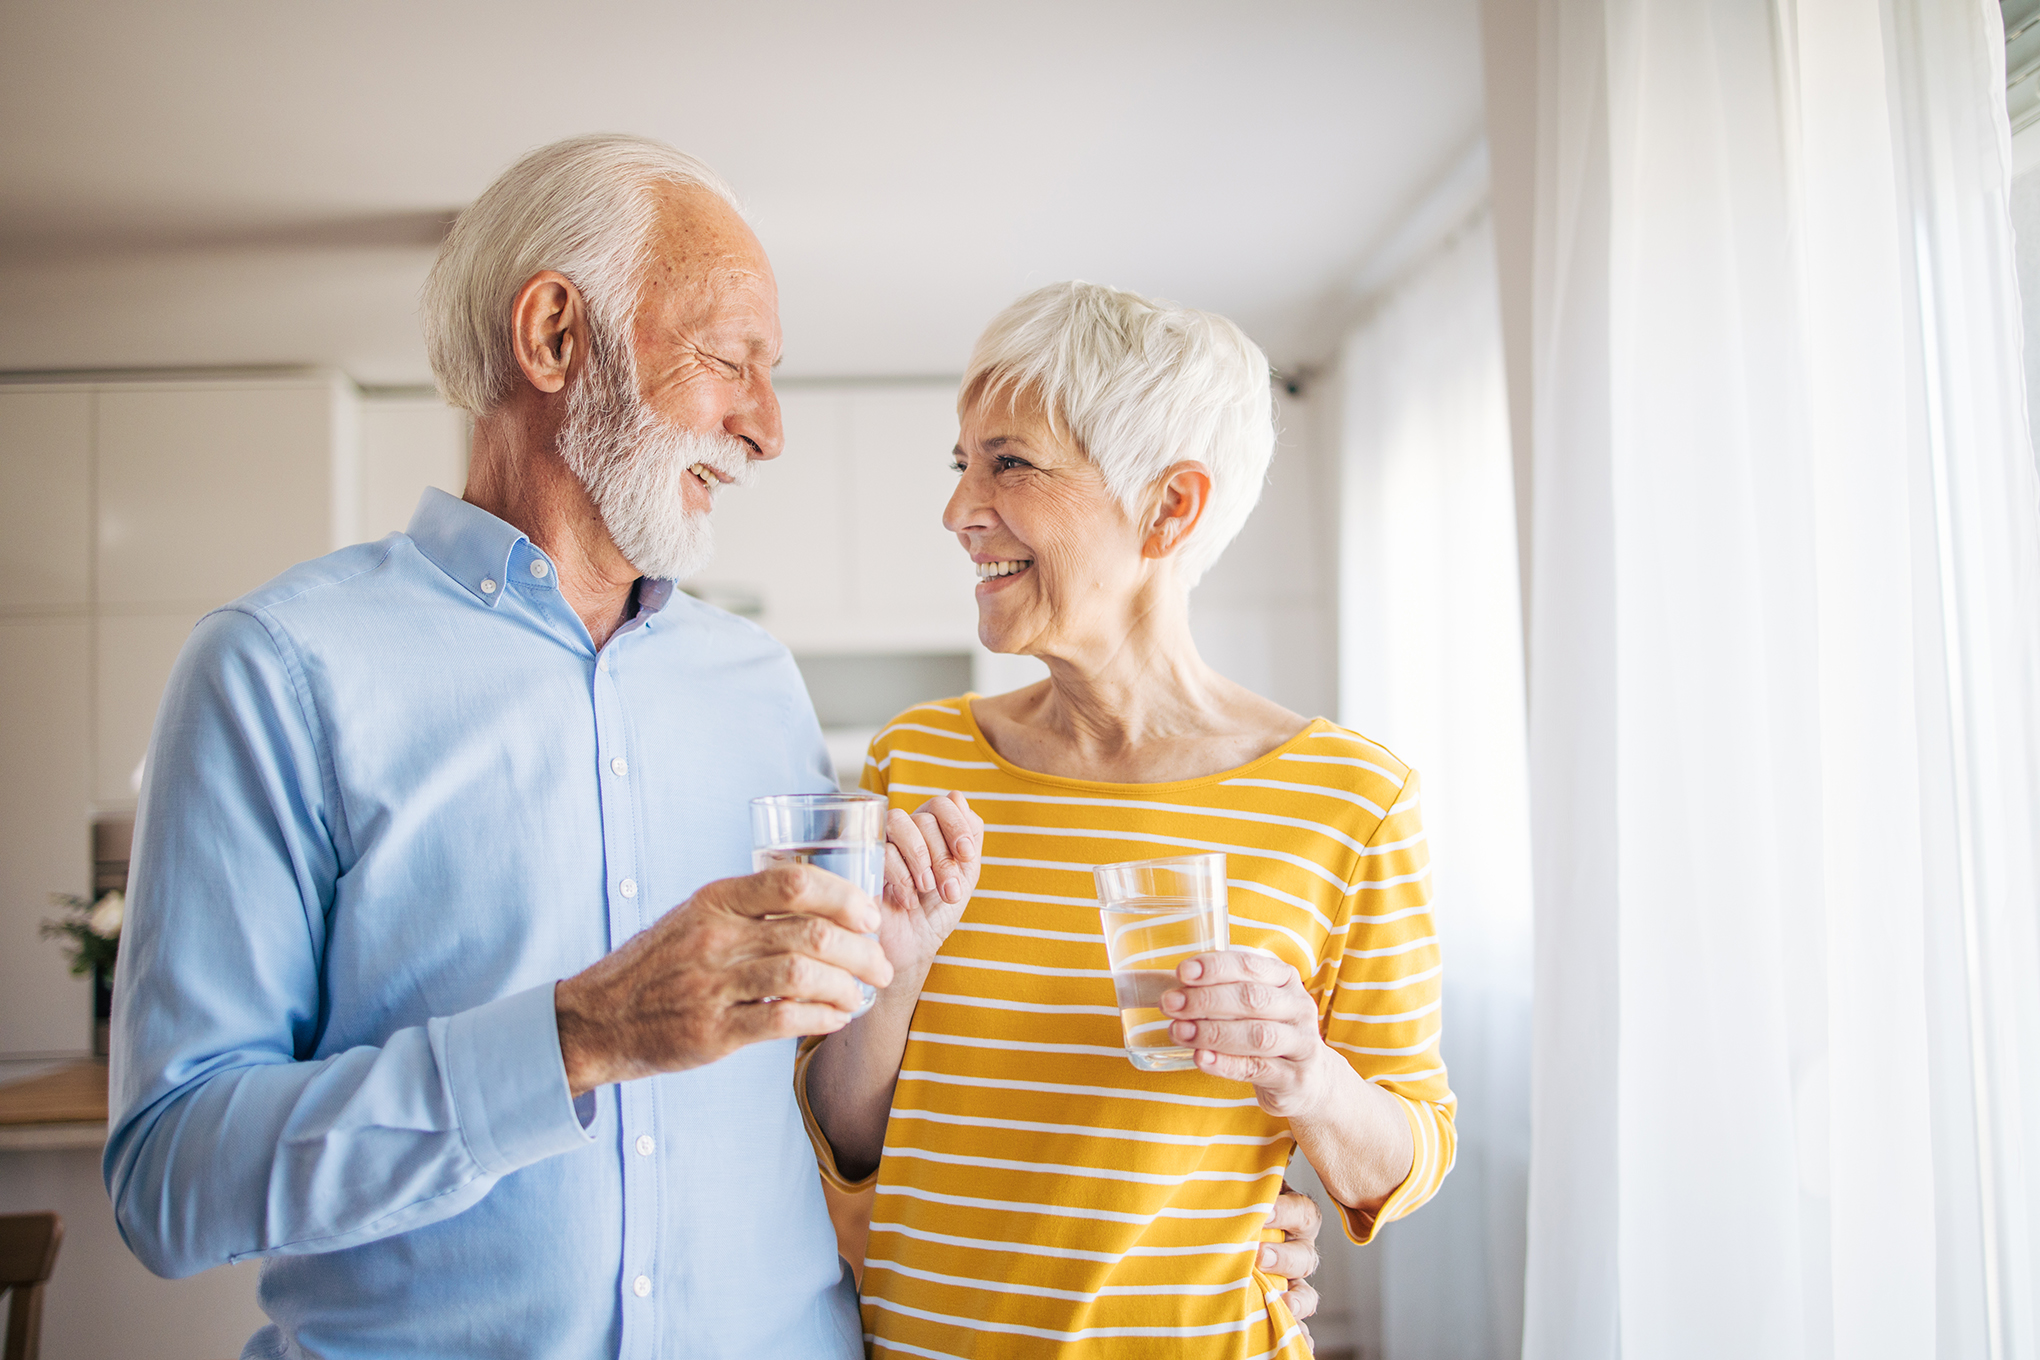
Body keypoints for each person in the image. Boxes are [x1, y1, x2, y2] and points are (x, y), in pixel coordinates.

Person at [105, 133, 911, 1358]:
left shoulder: (757, 681)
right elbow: (171, 1180)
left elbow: (811, 1103)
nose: (767, 428)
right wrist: (580, 1034)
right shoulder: (278, 670)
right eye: (729, 361)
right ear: (553, 337)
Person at [801, 282, 1455, 1358]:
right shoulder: (916, 760)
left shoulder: (1349, 801)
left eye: (1008, 463)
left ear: (1171, 506)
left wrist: (1308, 1078)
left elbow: (1406, 1157)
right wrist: (897, 967)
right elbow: (847, 1131)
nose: (961, 509)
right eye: (960, 463)